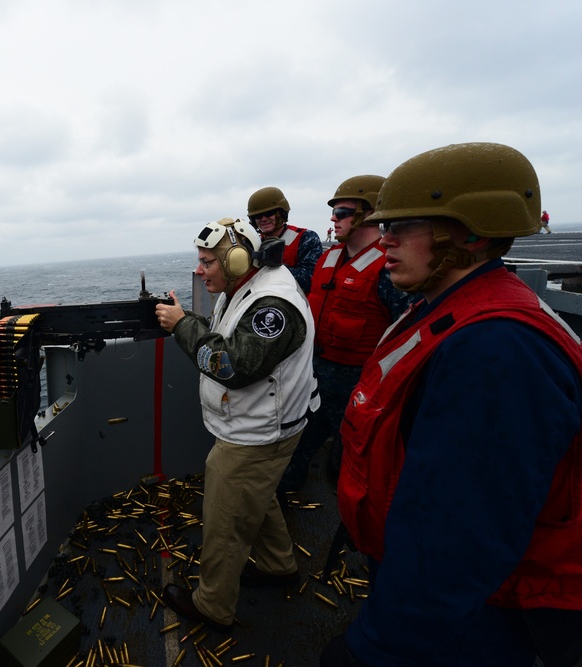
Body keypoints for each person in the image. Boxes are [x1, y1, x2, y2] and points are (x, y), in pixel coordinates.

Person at [320, 143, 582, 667]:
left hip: (479, 616)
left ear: (473, 234)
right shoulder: (448, 306)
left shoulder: (495, 349)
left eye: (404, 226)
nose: (385, 240)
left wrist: (379, 646)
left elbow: (457, 542)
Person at [155, 218, 320, 632]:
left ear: (237, 260)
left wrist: (182, 325)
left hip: (256, 435)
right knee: (255, 498)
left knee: (225, 522)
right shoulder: (244, 288)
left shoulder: (273, 304)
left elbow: (233, 365)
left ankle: (213, 605)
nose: (199, 270)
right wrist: (188, 319)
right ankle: (278, 565)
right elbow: (228, 335)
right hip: (257, 426)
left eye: (207, 261)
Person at [279, 175, 412, 492]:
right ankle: (281, 505)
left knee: (355, 465)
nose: (333, 219)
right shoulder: (328, 258)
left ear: (370, 215)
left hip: (357, 388)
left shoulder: (388, 268)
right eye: (334, 212)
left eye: (342, 213)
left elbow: (405, 338)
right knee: (294, 452)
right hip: (315, 378)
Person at [247, 186, 323, 293]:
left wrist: (272, 270)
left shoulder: (306, 238)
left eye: (269, 213)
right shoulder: (254, 243)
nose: (263, 219)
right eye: (258, 216)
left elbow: (311, 278)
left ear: (281, 213)